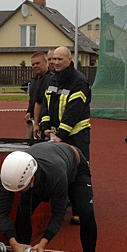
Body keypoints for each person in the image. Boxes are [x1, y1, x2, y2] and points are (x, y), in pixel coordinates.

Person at [0, 142, 97, 252]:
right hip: (44, 168)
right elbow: (2, 212)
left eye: (19, 189)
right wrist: (13, 243)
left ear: (31, 179)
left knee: (86, 212)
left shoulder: (56, 173)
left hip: (74, 169)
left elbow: (58, 213)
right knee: (24, 211)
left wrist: (43, 243)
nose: (16, 193)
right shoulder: (8, 175)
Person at [40, 45, 97, 229]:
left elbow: (74, 111)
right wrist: (45, 127)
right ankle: (62, 205)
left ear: (69, 60)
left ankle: (80, 209)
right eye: (54, 59)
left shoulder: (79, 81)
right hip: (58, 135)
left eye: (60, 59)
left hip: (76, 136)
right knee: (58, 172)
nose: (56, 62)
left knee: (78, 172)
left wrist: (61, 135)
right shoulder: (52, 80)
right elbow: (47, 106)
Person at [24, 52, 48, 139]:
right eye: (33, 64)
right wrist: (29, 111)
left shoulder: (50, 79)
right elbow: (32, 99)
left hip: (45, 122)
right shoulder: (33, 81)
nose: (35, 66)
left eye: (38, 63)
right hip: (33, 121)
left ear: (45, 62)